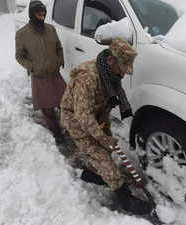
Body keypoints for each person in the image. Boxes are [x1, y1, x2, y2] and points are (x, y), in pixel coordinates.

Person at [60, 38, 153, 215]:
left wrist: (105, 132)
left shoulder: (110, 76)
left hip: (96, 116)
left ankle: (91, 173)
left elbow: (102, 104)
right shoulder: (87, 78)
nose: (124, 75)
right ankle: (124, 197)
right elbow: (83, 115)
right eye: (122, 69)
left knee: (105, 149)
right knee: (102, 156)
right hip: (76, 119)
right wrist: (102, 137)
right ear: (111, 60)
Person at [15, 0, 66, 144]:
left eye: (44, 14)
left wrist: (60, 60)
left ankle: (70, 127)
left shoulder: (51, 29)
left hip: (55, 74)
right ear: (32, 15)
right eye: (39, 14)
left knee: (65, 103)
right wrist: (32, 67)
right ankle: (57, 133)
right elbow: (19, 56)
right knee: (47, 108)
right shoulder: (22, 34)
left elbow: (59, 47)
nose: (42, 17)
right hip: (39, 76)